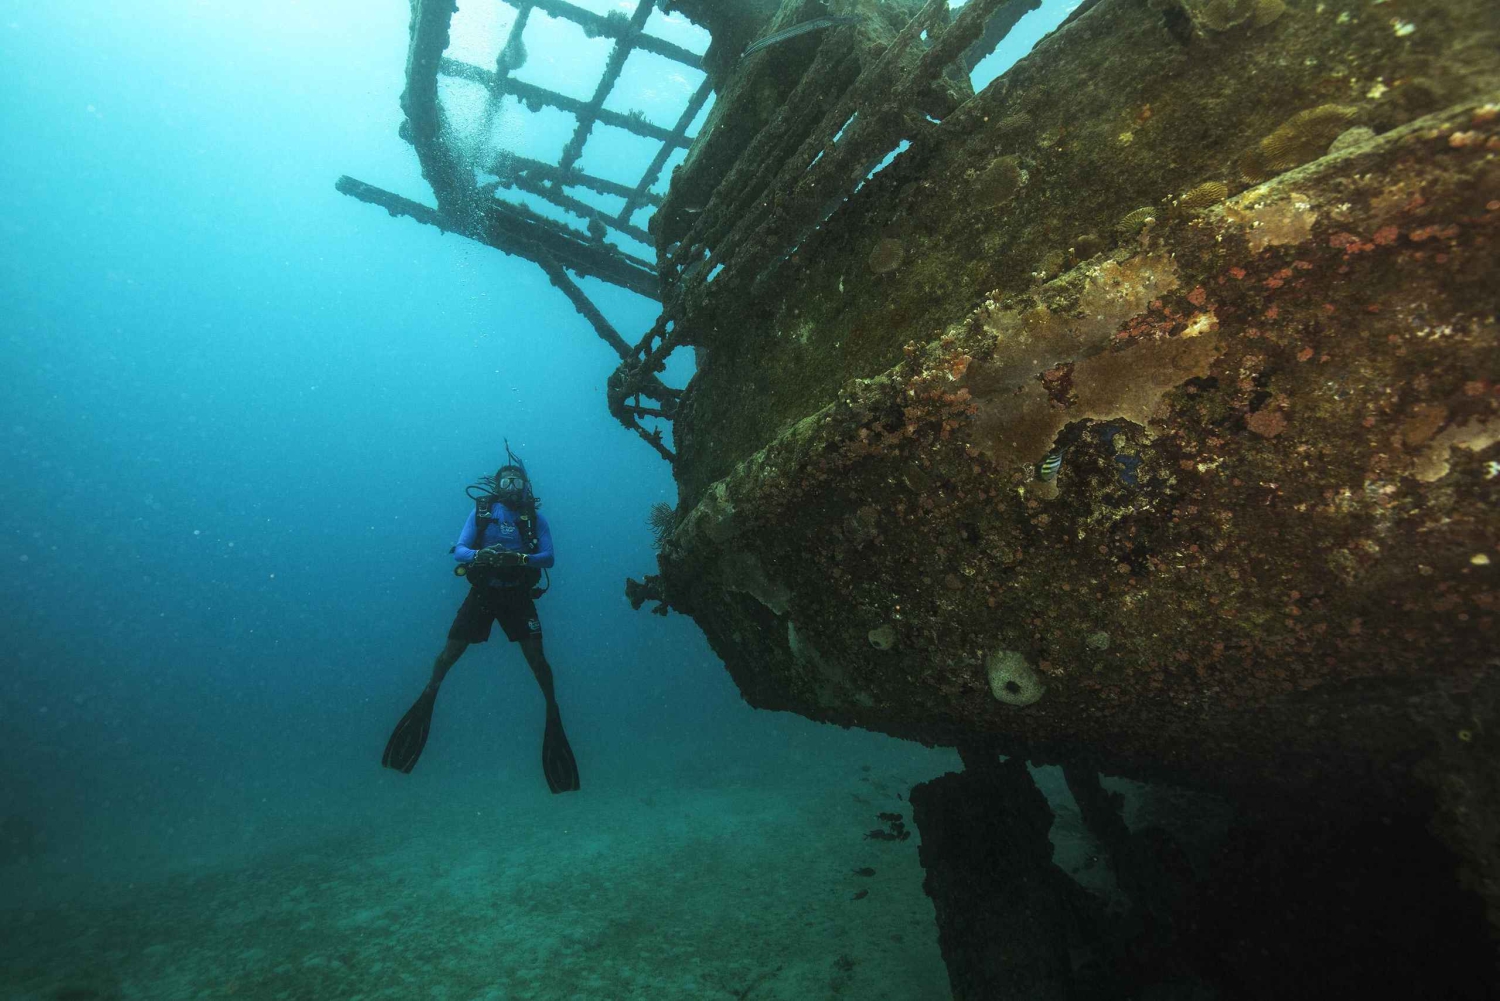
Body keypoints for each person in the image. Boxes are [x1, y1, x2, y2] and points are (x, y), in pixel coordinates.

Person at [381, 446, 580, 793]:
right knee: (450, 653)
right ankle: (430, 692)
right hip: (484, 593)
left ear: (526, 485)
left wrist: (518, 560)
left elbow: (548, 558)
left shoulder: (535, 519)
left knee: (538, 660)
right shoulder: (482, 513)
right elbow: (459, 550)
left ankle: (552, 708)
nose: (512, 484)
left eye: (517, 479)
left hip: (517, 596)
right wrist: (481, 555)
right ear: (498, 483)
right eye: (507, 479)